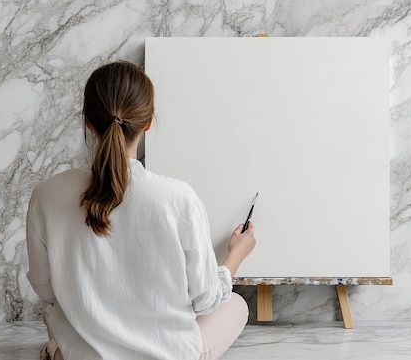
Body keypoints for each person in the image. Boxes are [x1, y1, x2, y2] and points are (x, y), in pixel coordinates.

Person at [26, 61, 256, 360]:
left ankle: (62, 350)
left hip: (86, 351)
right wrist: (235, 255)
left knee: (60, 315)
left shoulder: (47, 193)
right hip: (165, 353)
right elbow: (206, 301)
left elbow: (46, 289)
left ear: (87, 121)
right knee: (234, 305)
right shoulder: (178, 198)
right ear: (147, 123)